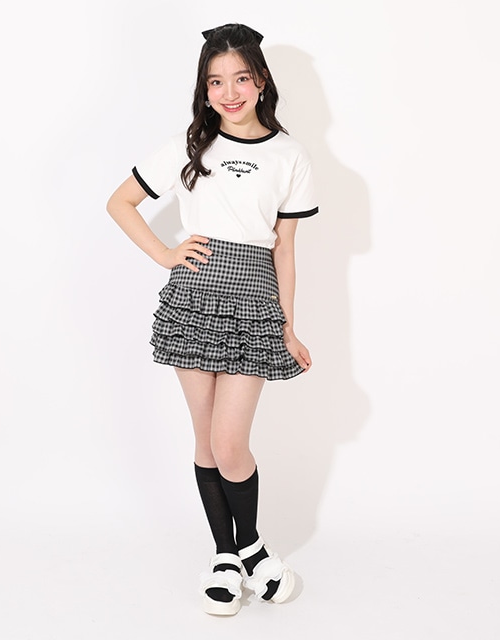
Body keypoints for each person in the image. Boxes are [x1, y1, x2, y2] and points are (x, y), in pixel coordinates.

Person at [106, 23, 318, 616]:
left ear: (261, 81)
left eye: (240, 79)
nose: (229, 93)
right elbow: (120, 202)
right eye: (215, 82)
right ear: (204, 88)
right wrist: (165, 253)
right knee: (205, 440)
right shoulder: (189, 147)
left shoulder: (290, 155)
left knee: (230, 443)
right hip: (194, 297)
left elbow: (285, 249)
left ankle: (251, 546)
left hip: (254, 299)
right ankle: (228, 556)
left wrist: (287, 326)